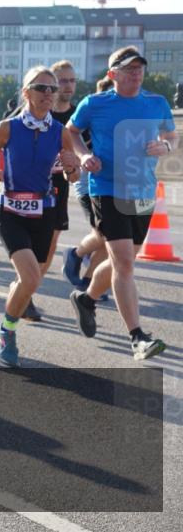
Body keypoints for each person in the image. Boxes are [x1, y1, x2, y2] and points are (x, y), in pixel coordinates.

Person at [67, 46, 176, 361]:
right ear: (113, 74)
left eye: (139, 67)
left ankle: (87, 299)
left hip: (142, 190)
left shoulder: (156, 102)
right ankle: (137, 337)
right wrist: (85, 155)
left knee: (122, 261)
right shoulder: (95, 104)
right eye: (128, 68)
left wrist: (166, 145)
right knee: (125, 262)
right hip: (107, 188)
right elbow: (71, 130)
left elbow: (172, 133)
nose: (136, 72)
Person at [0, 67, 80, 367]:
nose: (49, 94)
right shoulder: (7, 127)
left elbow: (72, 176)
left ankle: (1, 327)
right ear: (26, 93)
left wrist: (72, 166)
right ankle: (8, 332)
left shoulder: (60, 131)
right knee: (30, 277)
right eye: (41, 88)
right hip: (10, 210)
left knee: (29, 282)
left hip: (44, 211)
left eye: (52, 89)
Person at [63, 77, 114, 293]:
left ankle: (88, 282)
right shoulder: (90, 111)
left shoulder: (129, 114)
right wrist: (84, 156)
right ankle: (75, 254)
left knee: (109, 238)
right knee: (104, 235)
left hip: (118, 185)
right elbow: (70, 134)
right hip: (88, 182)